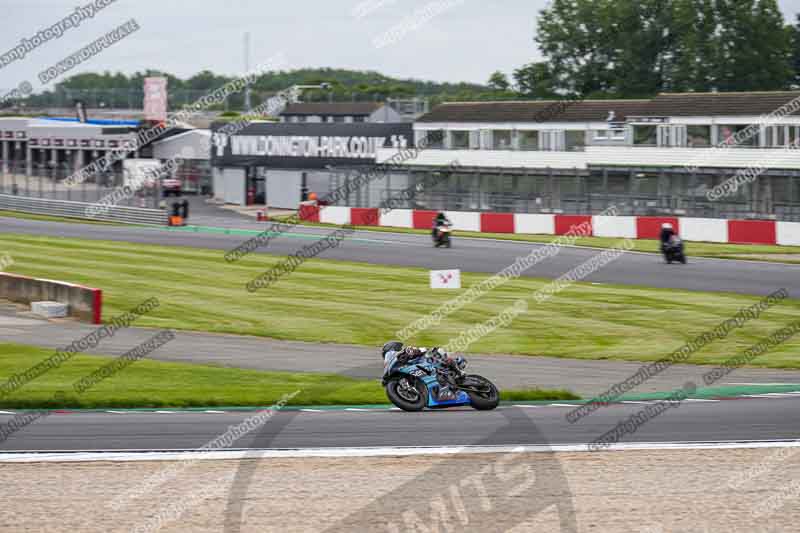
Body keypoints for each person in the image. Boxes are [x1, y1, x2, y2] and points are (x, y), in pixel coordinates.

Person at [381, 342, 461, 400]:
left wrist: (415, 351)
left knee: (437, 351)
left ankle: (459, 372)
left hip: (428, 362)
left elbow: (423, 349)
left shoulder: (403, 354)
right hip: (419, 371)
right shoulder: (392, 363)